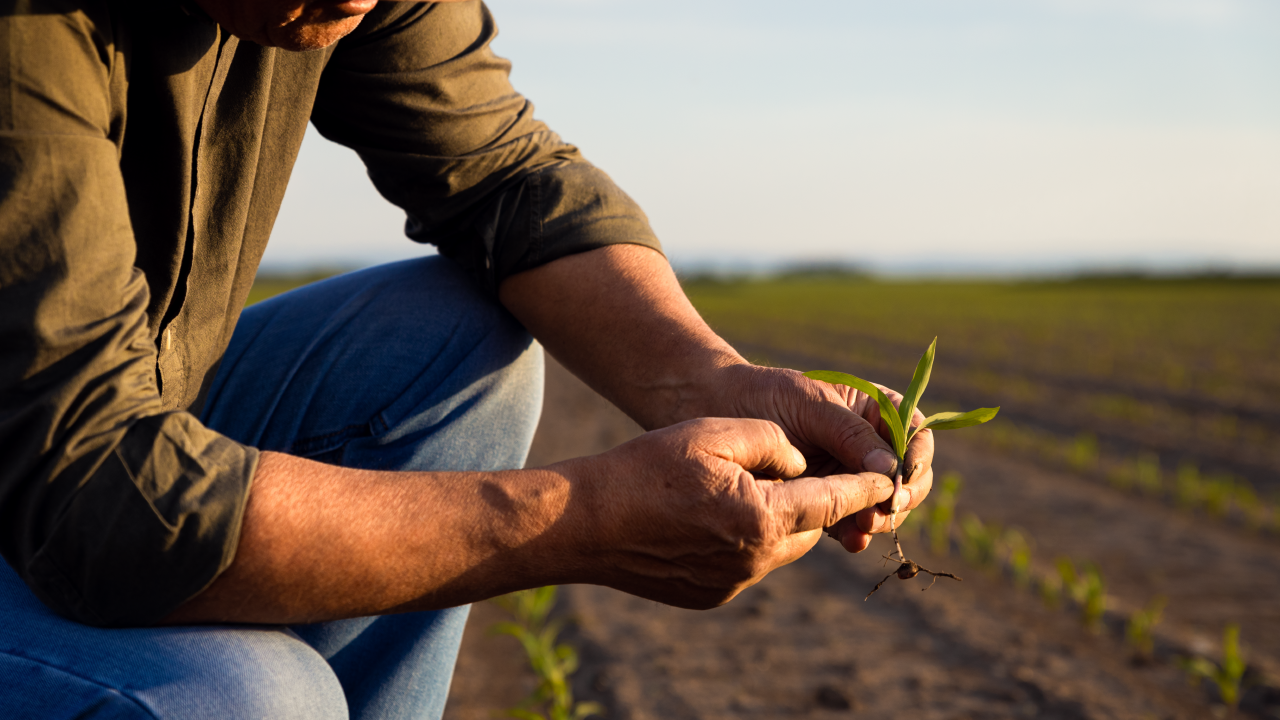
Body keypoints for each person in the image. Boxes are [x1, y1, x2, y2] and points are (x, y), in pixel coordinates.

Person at [0, 0, 936, 717]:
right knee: (248, 698)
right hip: (59, 462)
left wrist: (718, 382)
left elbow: (506, 178)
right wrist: (582, 522)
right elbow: (96, 488)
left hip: (101, 422)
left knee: (450, 335)